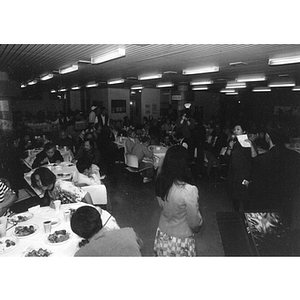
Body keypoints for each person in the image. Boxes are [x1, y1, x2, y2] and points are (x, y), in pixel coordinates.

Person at [154, 145, 203, 256]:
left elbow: (161, 205)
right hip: (181, 238)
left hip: (162, 232)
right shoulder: (189, 190)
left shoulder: (161, 181)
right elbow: (194, 221)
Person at [250, 126, 300, 228]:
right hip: (287, 204)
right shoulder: (296, 156)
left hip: (267, 207)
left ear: (268, 137)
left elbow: (256, 187)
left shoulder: (263, 160)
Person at [71, 206, 142, 256]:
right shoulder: (129, 232)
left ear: (79, 235)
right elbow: (140, 246)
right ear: (100, 220)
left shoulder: (81, 254)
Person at [226, 124, 257, 211]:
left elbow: (254, 157)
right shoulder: (233, 142)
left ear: (244, 132)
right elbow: (227, 157)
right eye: (234, 129)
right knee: (235, 200)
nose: (235, 131)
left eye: (238, 129)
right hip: (234, 174)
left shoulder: (249, 142)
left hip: (245, 174)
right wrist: (230, 147)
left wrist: (251, 145)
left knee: (246, 199)